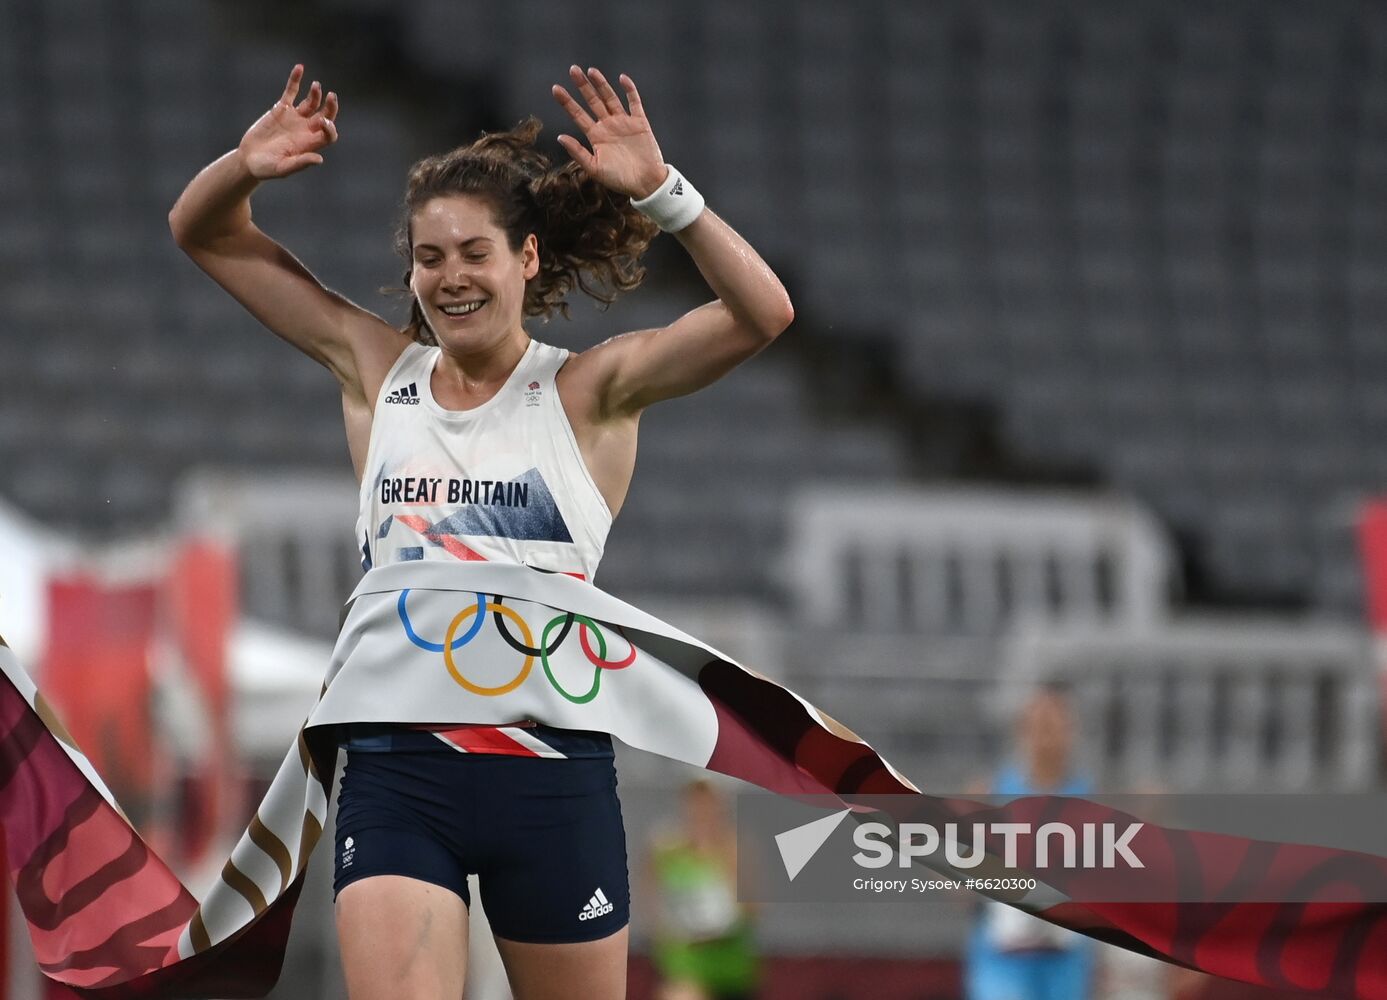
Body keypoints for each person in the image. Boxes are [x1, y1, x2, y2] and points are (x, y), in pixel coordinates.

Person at [169, 63, 792, 1000]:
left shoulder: (589, 392)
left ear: (526, 259)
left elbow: (763, 314)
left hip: (550, 774)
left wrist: (668, 195)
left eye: (474, 252)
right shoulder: (377, 372)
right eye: (429, 258)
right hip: (395, 771)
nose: (450, 277)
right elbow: (203, 232)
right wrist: (243, 166)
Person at [965, 685, 1095, 1000]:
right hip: (1002, 961)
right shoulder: (988, 794)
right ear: (1022, 731)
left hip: (1064, 962)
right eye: (1039, 725)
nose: (1046, 735)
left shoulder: (1092, 800)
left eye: (1055, 725)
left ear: (1071, 732)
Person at [646, 780, 759, 1000]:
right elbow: (651, 897)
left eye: (708, 801)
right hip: (685, 961)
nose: (701, 808)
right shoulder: (665, 848)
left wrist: (718, 922)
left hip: (730, 962)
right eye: (696, 800)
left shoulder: (734, 848)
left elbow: (752, 908)